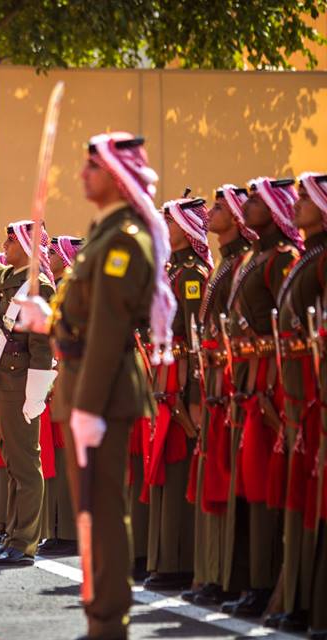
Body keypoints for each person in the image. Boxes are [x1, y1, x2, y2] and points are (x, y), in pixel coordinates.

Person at [18, 132, 172, 638]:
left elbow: (108, 327)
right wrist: (47, 320)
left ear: (117, 175)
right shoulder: (104, 234)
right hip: (83, 385)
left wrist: (87, 406)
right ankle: (99, 616)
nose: (82, 175)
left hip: (101, 391)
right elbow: (82, 318)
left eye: (93, 168)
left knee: (104, 512)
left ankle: (109, 622)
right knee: (91, 510)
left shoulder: (124, 237)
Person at [220, 177, 301, 618]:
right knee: (249, 484)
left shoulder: (283, 259)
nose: (246, 208)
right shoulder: (255, 258)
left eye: (255, 201)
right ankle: (250, 581)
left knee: (267, 485)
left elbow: (287, 326)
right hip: (247, 380)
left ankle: (265, 582)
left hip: (272, 382)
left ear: (274, 208)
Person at [181, 184, 254, 607]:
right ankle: (213, 573)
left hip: (235, 385)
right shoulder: (228, 265)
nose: (212, 212)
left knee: (229, 478)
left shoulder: (240, 264)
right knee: (213, 474)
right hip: (215, 383)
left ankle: (230, 577)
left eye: (221, 207)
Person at [0, 220, 55, 566]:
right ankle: (11, 538)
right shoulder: (7, 279)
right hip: (1, 384)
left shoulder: (37, 287)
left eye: (10, 239)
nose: (4, 245)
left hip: (20, 388)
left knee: (26, 467)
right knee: (13, 468)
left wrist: (36, 394)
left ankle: (24, 542)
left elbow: (42, 347)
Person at [142, 197, 212, 591]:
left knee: (178, 465)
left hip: (181, 382)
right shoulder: (172, 271)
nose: (164, 227)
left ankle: (178, 561)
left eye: (170, 221)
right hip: (164, 376)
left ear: (187, 229)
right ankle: (162, 558)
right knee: (163, 468)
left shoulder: (192, 275)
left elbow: (195, 340)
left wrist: (194, 397)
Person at [268, 172, 327, 632]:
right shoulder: (306, 258)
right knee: (299, 496)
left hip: (313, 393)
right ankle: (296, 595)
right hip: (296, 393)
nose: (296, 203)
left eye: (305, 197)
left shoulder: (319, 259)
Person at [38, 236, 82, 557]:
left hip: (71, 378)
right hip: (57, 380)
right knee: (55, 454)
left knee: (67, 454)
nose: (48, 255)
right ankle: (56, 528)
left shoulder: (73, 290)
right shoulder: (60, 290)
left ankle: (69, 531)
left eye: (53, 251)